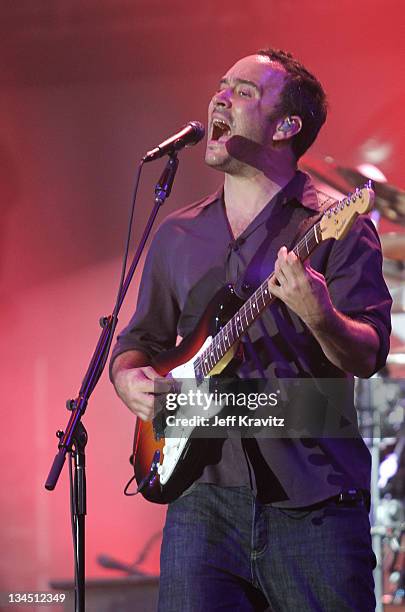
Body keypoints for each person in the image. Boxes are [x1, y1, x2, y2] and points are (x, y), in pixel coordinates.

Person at [110, 49, 392, 611]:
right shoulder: (177, 235)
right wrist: (128, 381)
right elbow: (137, 343)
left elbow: (368, 354)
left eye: (242, 91)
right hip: (201, 499)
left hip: (313, 498)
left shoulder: (336, 224)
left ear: (287, 126)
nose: (219, 97)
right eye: (220, 85)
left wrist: (320, 313)